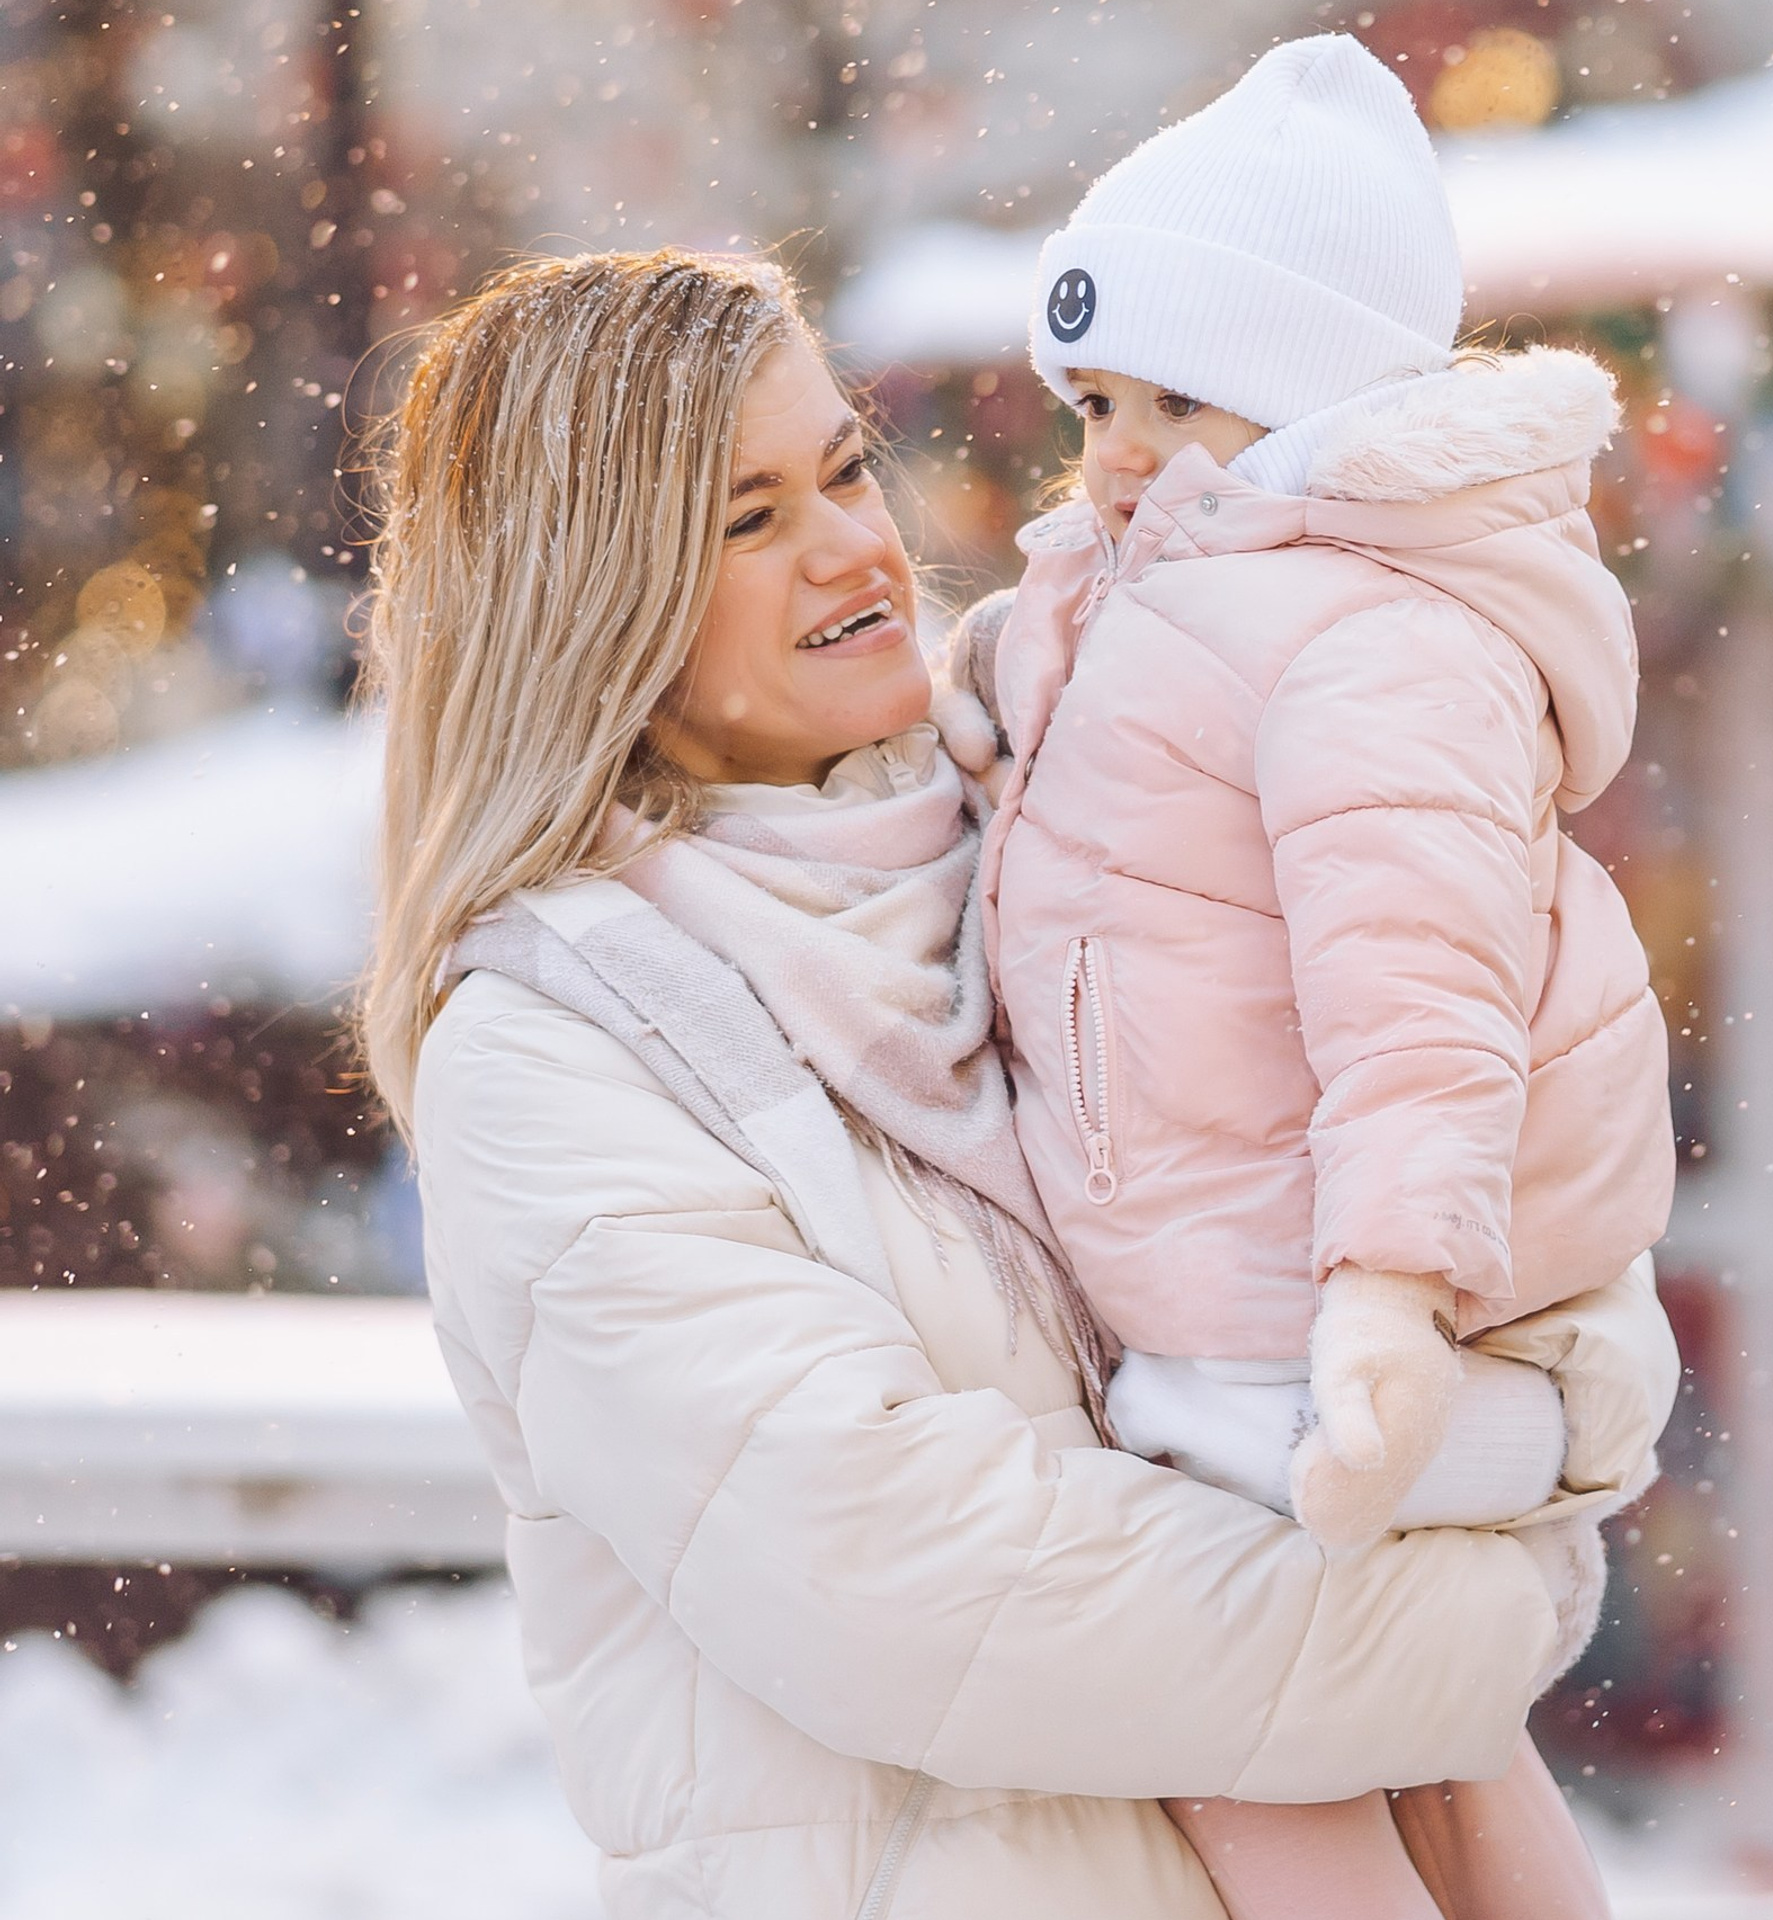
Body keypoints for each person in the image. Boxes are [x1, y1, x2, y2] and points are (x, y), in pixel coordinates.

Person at [356, 246, 1678, 1919]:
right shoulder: (557, 1043)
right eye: (746, 520)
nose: (853, 545)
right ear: (591, 593)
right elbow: (910, 1583)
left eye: (843, 469)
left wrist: (1536, 1399)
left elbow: (1514, 1167)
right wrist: (1480, 1613)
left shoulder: (1079, 839)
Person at [962, 32, 1677, 1920]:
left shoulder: (1373, 640)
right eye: (1087, 402)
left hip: (1308, 1322)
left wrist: (1386, 1301)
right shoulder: (1143, 590)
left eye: (1167, 405)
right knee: (1425, 1737)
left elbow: (1418, 1004)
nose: (1108, 457)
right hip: (1222, 1287)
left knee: (1255, 1746)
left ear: (1299, 401)